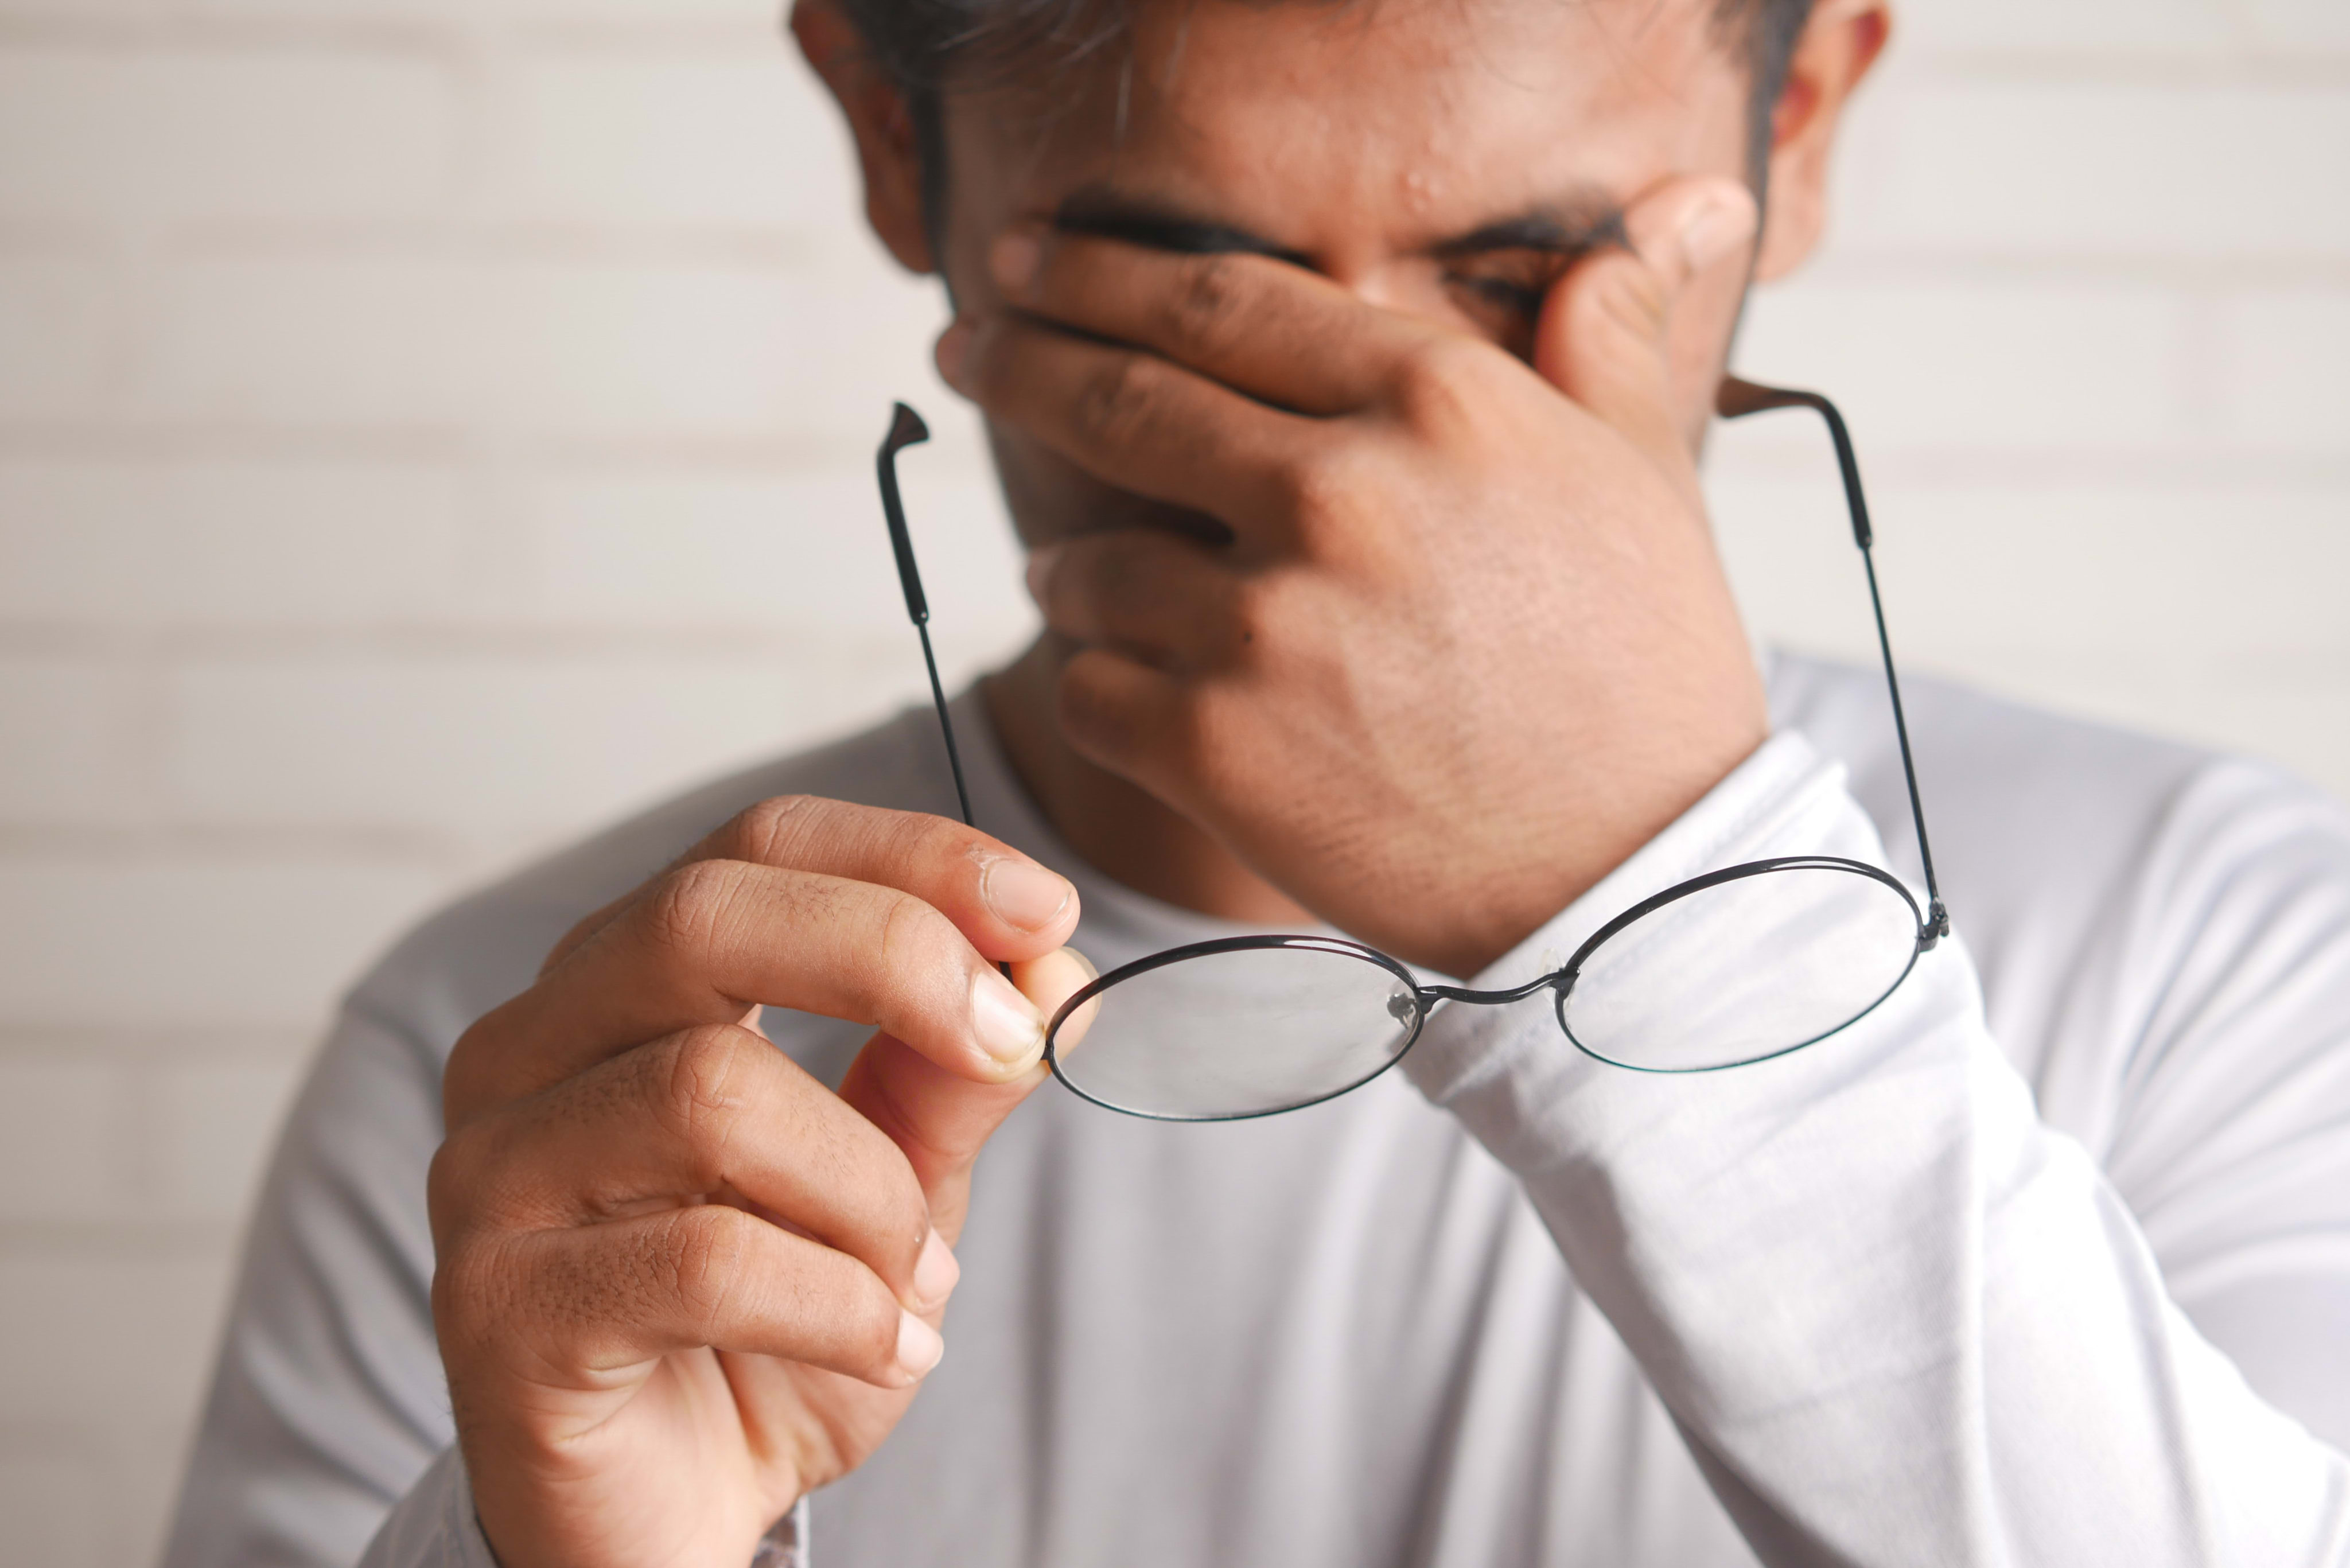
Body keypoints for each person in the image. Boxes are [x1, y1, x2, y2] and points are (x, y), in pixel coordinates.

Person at [161, 0, 2350, 1562]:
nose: (1378, 442)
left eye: (1523, 278)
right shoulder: (567, 1087)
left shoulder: (2223, 948)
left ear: (1806, 114)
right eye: (1189, 289)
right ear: (891, 133)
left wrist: (1648, 875)